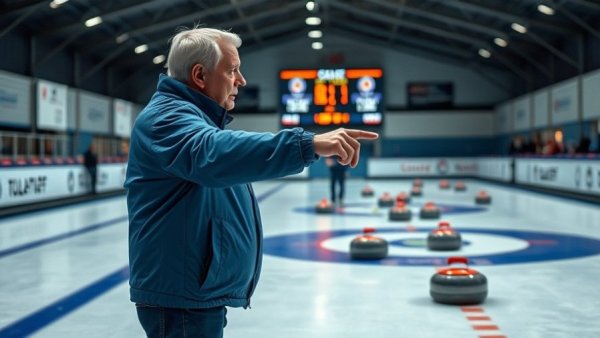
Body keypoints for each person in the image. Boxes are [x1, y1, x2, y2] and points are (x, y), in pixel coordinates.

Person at [124, 27, 378, 338]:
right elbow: (212, 153)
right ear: (200, 75)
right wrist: (305, 145)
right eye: (232, 70)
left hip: (193, 291)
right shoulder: (165, 119)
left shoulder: (192, 118)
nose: (241, 80)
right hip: (181, 296)